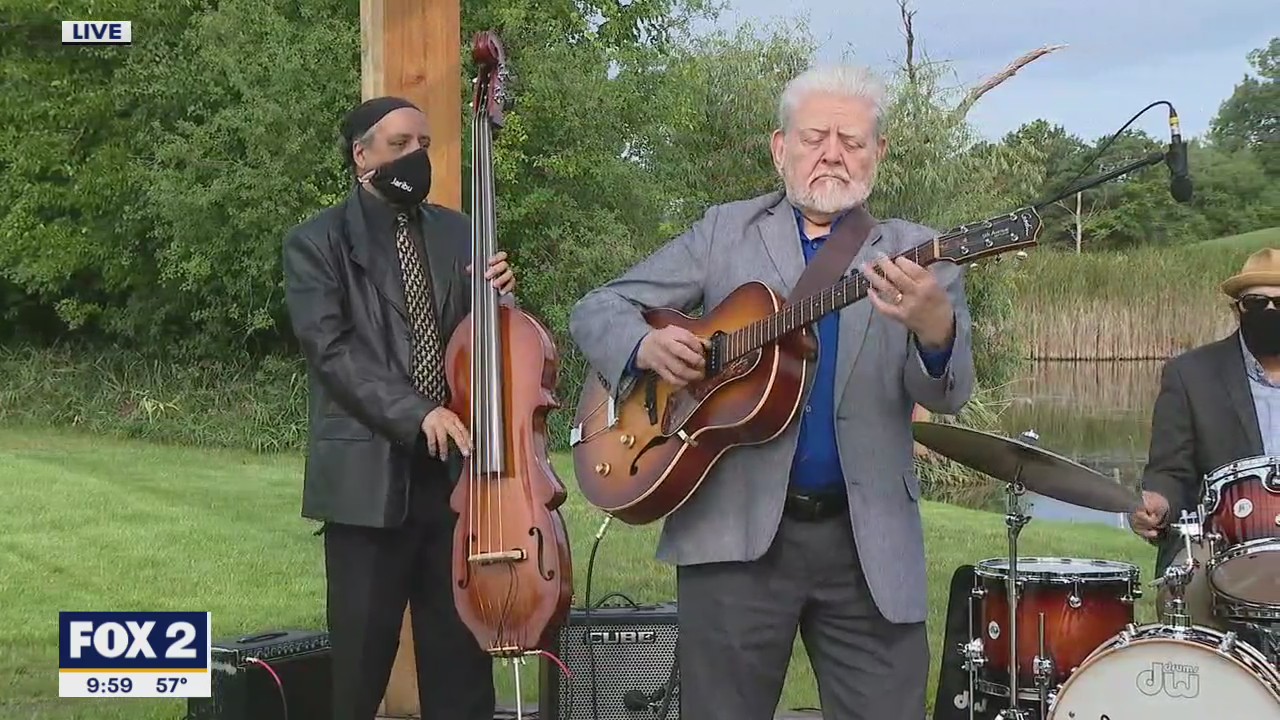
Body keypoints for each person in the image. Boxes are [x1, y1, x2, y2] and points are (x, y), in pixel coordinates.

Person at [568, 65, 975, 720]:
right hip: (733, 533)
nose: (833, 153)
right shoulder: (723, 232)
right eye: (815, 136)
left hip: (867, 547)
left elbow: (950, 394)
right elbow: (598, 309)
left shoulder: (918, 254)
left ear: (880, 152)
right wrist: (643, 347)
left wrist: (935, 330)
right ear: (779, 147)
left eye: (852, 139)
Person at [281, 96, 515, 720]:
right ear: (363, 155)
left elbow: (481, 348)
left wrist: (501, 302)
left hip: (457, 483)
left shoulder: (462, 232)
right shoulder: (315, 242)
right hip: (366, 482)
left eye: (424, 144)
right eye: (401, 143)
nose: (417, 156)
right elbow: (332, 353)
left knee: (462, 667)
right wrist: (417, 412)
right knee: (359, 671)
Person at [1130, 249, 1280, 597]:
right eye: (1256, 303)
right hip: (1225, 553)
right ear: (1236, 309)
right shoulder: (1190, 375)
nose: (1271, 312)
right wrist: (1159, 507)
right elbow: (1170, 472)